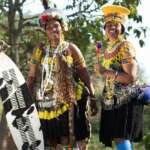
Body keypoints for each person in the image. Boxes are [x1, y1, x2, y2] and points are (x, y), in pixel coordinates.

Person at [27, 8, 97, 150]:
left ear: (62, 28)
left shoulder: (71, 48)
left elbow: (84, 74)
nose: (53, 29)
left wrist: (93, 96)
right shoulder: (40, 50)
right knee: (53, 141)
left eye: (56, 26)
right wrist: (27, 98)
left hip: (70, 97)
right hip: (47, 101)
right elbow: (32, 75)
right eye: (49, 27)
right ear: (45, 32)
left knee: (73, 137)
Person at [96, 5, 144, 150]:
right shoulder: (107, 50)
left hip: (126, 98)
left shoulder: (125, 46)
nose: (112, 28)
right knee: (117, 138)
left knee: (121, 136)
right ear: (104, 29)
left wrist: (105, 72)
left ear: (122, 28)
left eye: (116, 25)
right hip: (111, 98)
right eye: (108, 25)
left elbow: (131, 77)